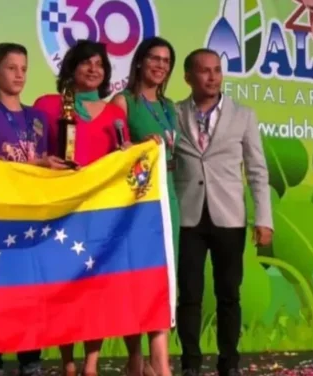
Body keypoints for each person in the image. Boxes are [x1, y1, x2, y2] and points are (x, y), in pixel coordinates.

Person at [32, 40, 131, 376]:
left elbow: (123, 160)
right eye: (86, 63)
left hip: (100, 215)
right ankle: (68, 362)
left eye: (100, 64)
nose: (93, 69)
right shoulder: (48, 105)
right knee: (65, 288)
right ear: (71, 68)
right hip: (61, 211)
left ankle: (91, 364)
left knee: (95, 290)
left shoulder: (117, 115)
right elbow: (35, 152)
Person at [173, 48, 273, 376]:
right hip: (188, 217)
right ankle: (190, 364)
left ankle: (228, 363)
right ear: (188, 77)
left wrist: (263, 219)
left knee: (228, 294)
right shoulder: (173, 114)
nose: (213, 76)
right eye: (204, 71)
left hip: (229, 218)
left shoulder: (243, 115)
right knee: (189, 295)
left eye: (217, 69)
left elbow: (257, 170)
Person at [0, 42, 66, 376]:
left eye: (24, 68)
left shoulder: (39, 118)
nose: (19, 75)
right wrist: (35, 163)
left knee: (31, 290)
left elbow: (50, 164)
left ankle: (31, 360)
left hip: (33, 215)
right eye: (11, 68)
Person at [110, 36, 178, 376]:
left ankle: (158, 364)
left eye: (166, 61)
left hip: (168, 202)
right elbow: (115, 150)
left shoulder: (169, 107)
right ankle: (135, 359)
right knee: (138, 281)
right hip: (136, 205)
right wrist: (139, 146)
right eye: (154, 58)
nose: (160, 65)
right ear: (139, 61)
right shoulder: (123, 101)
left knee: (163, 282)